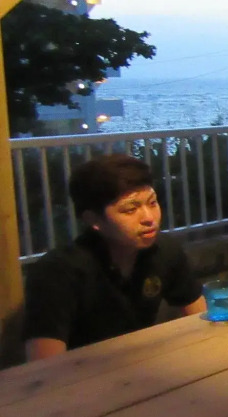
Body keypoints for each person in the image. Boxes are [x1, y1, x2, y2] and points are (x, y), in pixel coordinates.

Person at [23, 154, 205, 361]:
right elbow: (44, 366)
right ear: (93, 219)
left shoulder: (164, 249)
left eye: (152, 203)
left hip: (145, 367)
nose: (149, 218)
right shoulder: (57, 272)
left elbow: (202, 317)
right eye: (130, 209)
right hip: (80, 375)